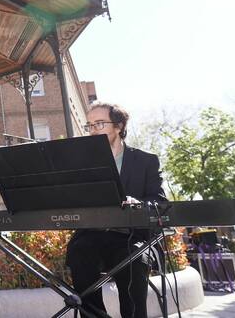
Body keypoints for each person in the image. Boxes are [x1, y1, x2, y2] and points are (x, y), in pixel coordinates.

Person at [66, 101, 166, 318]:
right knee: (79, 254)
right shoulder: (82, 165)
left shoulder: (145, 161)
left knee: (133, 259)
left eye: (99, 123)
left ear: (119, 126)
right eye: (90, 125)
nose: (93, 130)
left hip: (132, 236)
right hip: (93, 234)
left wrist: (137, 204)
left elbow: (158, 200)